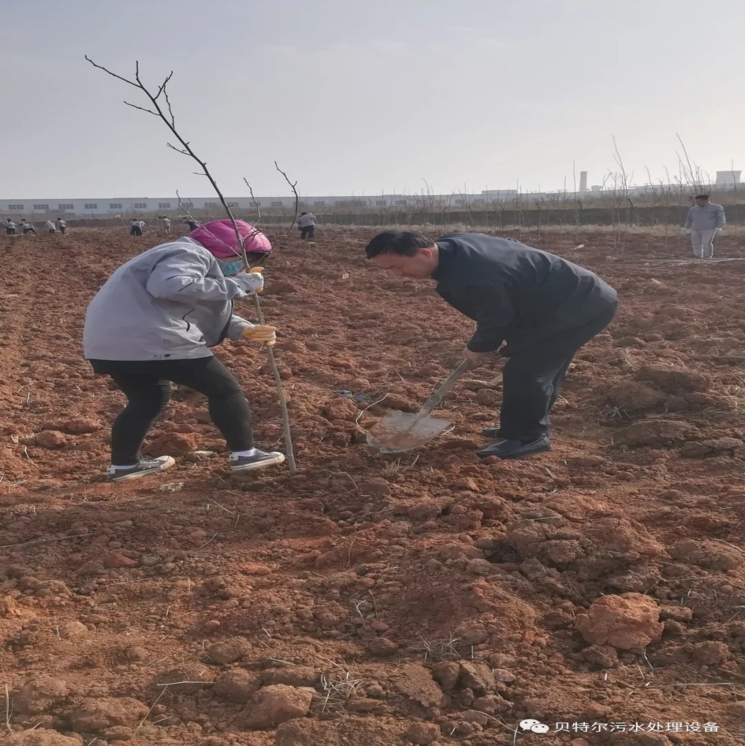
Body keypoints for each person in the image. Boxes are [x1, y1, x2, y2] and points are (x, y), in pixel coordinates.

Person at [365, 231, 618, 460]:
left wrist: (478, 347)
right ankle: (518, 427)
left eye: (398, 267)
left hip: (581, 306)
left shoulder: (475, 275)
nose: (397, 275)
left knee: (526, 371)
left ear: (424, 253)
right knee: (538, 367)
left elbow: (497, 316)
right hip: (555, 303)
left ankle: (529, 437)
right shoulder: (452, 245)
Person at [83, 219, 285, 482]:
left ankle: (124, 466)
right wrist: (241, 285)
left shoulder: (174, 255)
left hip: (112, 345)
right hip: (154, 339)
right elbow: (169, 286)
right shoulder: (190, 253)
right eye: (242, 259)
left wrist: (243, 328)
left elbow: (189, 306)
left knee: (147, 399)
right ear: (227, 247)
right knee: (224, 390)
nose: (240, 268)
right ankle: (245, 454)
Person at [685, 194, 725, 259]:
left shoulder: (717, 207)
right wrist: (687, 227)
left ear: (706, 200)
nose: (697, 203)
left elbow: (721, 217)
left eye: (699, 201)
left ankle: (708, 256)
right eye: (696, 201)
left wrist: (719, 226)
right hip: (695, 229)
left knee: (706, 243)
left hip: (708, 229)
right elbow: (689, 218)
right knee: (696, 243)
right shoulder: (693, 209)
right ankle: (698, 255)